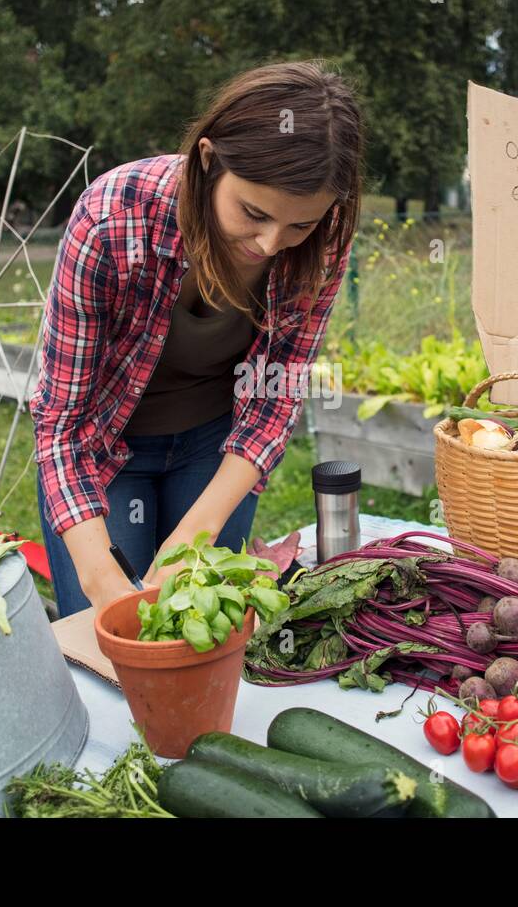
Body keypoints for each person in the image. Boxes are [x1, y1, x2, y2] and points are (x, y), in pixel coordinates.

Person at [30, 60, 364, 616]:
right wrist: (101, 580)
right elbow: (62, 425)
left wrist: (193, 539)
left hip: (216, 450)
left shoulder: (324, 243)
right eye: (253, 213)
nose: (271, 243)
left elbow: (273, 398)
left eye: (298, 224)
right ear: (209, 161)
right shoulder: (112, 219)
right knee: (109, 637)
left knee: (196, 625)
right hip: (104, 449)